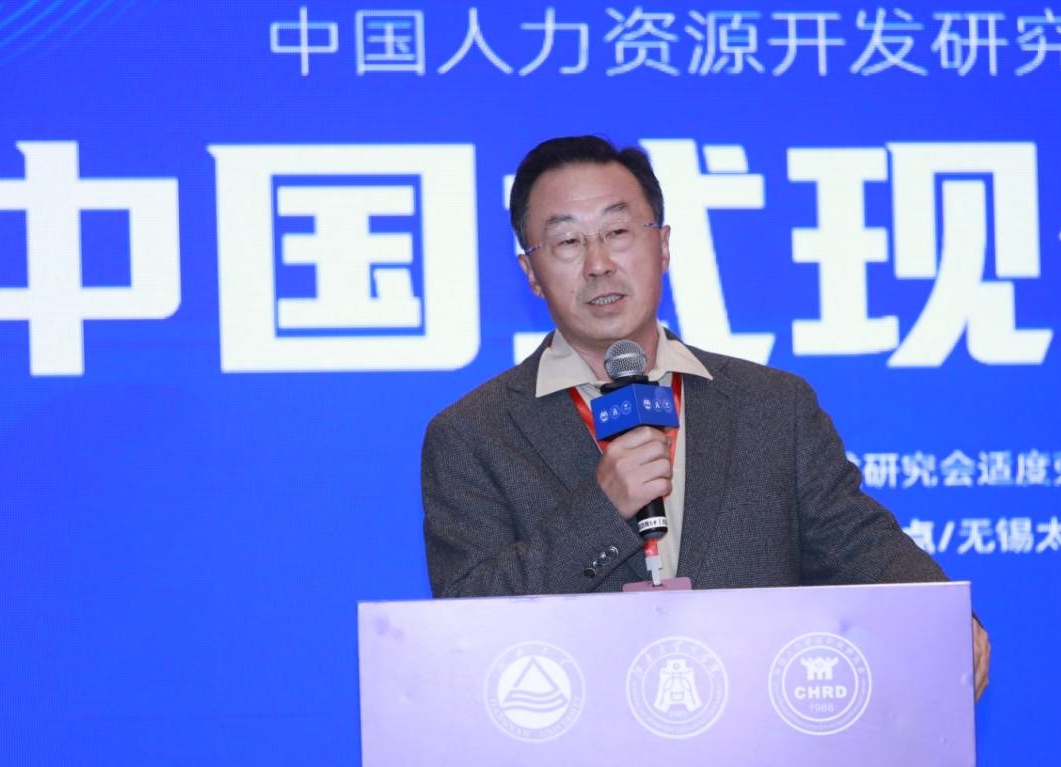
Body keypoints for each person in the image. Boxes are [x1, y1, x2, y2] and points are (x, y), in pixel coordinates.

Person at [422, 135, 989, 698]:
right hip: (574, 735)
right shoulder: (474, 434)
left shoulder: (773, 407)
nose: (598, 264)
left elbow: (858, 545)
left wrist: (941, 615)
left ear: (663, 245)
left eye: (618, 232)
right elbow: (467, 622)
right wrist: (601, 511)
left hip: (756, 730)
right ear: (531, 272)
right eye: (568, 241)